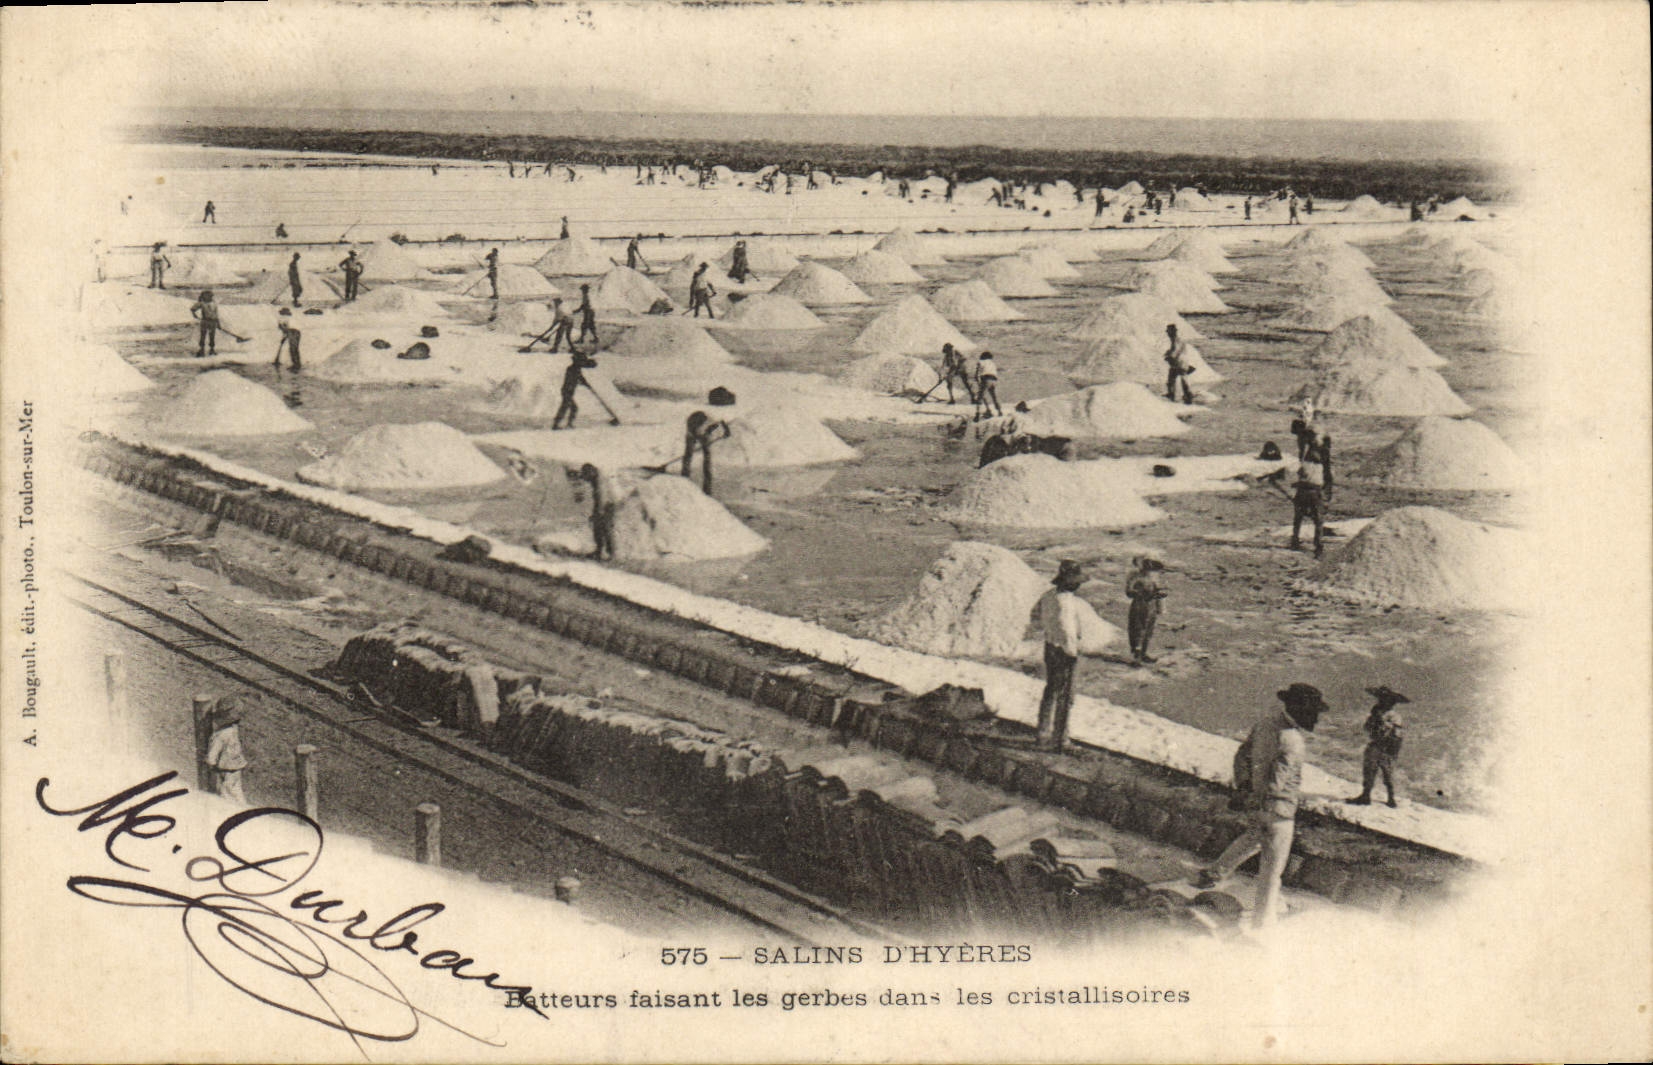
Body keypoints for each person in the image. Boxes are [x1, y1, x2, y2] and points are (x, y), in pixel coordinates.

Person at [1195, 683, 1329, 929]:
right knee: (1271, 871)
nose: (1317, 719)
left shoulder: (1265, 724)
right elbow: (1277, 784)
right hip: (1279, 811)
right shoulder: (1293, 740)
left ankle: (1213, 874)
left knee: (1254, 837)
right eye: (1313, 712)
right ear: (1300, 710)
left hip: (1256, 805)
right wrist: (1266, 798)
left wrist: (1244, 788)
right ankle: (1263, 923)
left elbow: (1242, 755)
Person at [1032, 560, 1090, 751]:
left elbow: (1035, 616)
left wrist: (1049, 630)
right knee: (1066, 695)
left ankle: (1043, 733)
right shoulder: (1065, 602)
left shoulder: (1048, 596)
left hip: (1050, 647)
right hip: (1064, 651)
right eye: (1076, 581)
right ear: (1069, 582)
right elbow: (1067, 631)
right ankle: (1060, 739)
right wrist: (1072, 653)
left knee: (1051, 690)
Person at [1349, 686, 1409, 807]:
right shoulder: (1376, 712)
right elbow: (1367, 728)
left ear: (1392, 702)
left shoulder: (1394, 716)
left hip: (1387, 748)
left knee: (1388, 773)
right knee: (1369, 770)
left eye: (1385, 699)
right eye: (1381, 698)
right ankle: (1366, 795)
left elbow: (1395, 732)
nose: (1381, 701)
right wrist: (1373, 720)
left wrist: (1381, 722)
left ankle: (1391, 798)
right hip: (1376, 745)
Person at [205, 695, 250, 803]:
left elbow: (212, 755)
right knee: (237, 790)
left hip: (225, 768)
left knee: (226, 793)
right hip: (237, 765)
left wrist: (210, 763)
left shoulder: (220, 735)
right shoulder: (234, 730)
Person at [1125, 555, 1168, 666]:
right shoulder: (1136, 578)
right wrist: (1141, 594)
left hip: (1151, 606)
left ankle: (1143, 653)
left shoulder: (1154, 579)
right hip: (1139, 606)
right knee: (1138, 630)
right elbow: (1129, 591)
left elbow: (1159, 592)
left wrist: (1159, 603)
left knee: (1148, 630)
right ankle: (1136, 657)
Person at [1290, 443, 1328, 558]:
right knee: (1318, 521)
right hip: (1314, 494)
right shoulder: (1321, 467)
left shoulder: (1303, 465)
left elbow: (1301, 477)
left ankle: (1295, 541)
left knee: (1298, 518)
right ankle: (1318, 547)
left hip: (1303, 492)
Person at [680, 410, 731, 494]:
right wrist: (693, 441)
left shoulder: (710, 417)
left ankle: (707, 486)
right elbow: (690, 438)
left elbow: (722, 420)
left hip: (705, 432)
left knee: (707, 456)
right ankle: (684, 477)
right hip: (695, 431)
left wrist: (727, 431)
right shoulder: (690, 426)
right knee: (688, 455)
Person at [576, 463, 617, 561]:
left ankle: (609, 554)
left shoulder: (599, 482)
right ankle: (601, 552)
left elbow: (601, 499)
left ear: (591, 473)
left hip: (607, 506)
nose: (587, 480)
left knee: (604, 529)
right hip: (607, 505)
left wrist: (598, 513)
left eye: (586, 476)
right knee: (600, 529)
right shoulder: (598, 478)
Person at [551, 351, 599, 430]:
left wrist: (585, 383)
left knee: (568, 407)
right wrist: (584, 383)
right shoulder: (573, 369)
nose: (583, 362)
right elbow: (578, 377)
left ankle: (561, 424)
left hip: (568, 390)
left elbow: (581, 377)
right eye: (581, 360)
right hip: (567, 391)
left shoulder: (575, 368)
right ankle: (559, 424)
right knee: (569, 408)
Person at [1164, 324, 1195, 405]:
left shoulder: (1176, 340)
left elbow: (1176, 350)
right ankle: (1186, 394)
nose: (1167, 333)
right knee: (1180, 378)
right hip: (1181, 362)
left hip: (1179, 362)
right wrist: (1169, 352)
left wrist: (1169, 356)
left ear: (1172, 332)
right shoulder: (1176, 340)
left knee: (1174, 377)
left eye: (1168, 331)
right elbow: (1175, 349)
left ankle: (1175, 394)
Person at [189, 289, 220, 357]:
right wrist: (194, 314)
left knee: (212, 336)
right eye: (209, 296)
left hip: (213, 322)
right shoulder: (201, 303)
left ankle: (212, 349)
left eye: (211, 296)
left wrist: (218, 323)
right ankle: (201, 350)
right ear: (204, 296)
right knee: (203, 335)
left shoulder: (214, 303)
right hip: (205, 321)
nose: (210, 297)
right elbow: (192, 309)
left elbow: (216, 314)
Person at [974, 351, 1003, 420]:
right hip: (994, 380)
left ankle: (977, 414)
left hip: (986, 379)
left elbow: (977, 373)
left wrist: (978, 381)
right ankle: (999, 412)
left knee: (980, 397)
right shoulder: (992, 363)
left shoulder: (981, 362)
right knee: (994, 396)